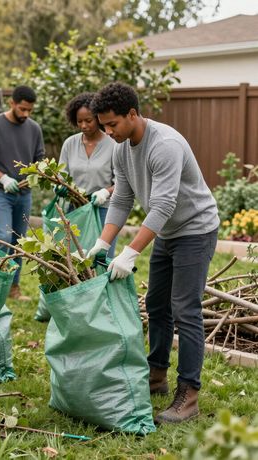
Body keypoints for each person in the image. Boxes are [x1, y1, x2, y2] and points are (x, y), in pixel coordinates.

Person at [87, 82, 219, 423]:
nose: (108, 131)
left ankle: (188, 394)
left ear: (133, 114)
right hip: (168, 232)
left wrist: (130, 252)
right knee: (158, 305)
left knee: (185, 308)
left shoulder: (166, 145)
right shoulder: (121, 149)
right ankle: (156, 374)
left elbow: (163, 205)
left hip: (195, 229)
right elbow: (121, 199)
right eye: (103, 125)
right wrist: (103, 243)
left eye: (113, 124)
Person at [0, 85, 45, 300]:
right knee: (3, 237)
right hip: (0, 191)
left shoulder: (34, 129)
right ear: (12, 103)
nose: (26, 114)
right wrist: (3, 178)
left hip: (23, 194)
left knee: (19, 241)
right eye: (22, 109)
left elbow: (40, 159)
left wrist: (36, 173)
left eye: (29, 111)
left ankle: (13, 289)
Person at [59, 92, 118, 258]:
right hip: (76, 210)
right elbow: (62, 175)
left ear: (99, 118)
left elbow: (123, 181)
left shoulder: (114, 144)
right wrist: (60, 187)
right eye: (79, 121)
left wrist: (106, 192)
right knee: (76, 258)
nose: (84, 125)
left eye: (88, 120)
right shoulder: (70, 144)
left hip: (103, 210)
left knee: (101, 257)